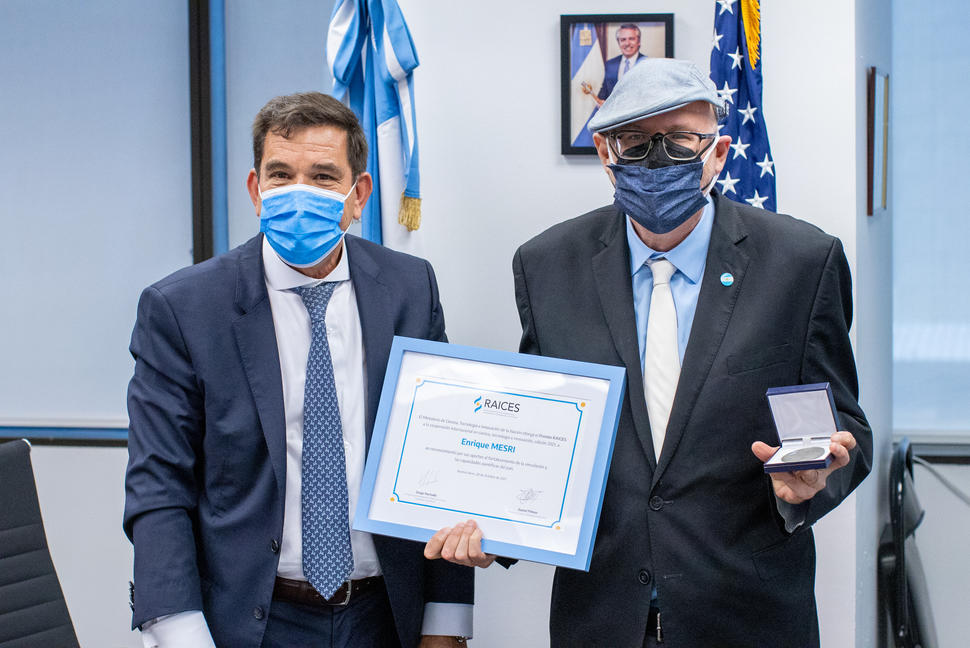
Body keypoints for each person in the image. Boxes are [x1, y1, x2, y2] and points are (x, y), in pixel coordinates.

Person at [426, 59, 872, 647]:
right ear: (606, 155)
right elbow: (543, 432)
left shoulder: (800, 262)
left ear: (717, 153)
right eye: (635, 143)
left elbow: (843, 423)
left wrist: (812, 481)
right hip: (602, 617)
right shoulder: (547, 265)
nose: (657, 160)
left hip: (749, 616)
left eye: (681, 141)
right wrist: (495, 525)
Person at [124, 92, 472, 648]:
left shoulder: (410, 288)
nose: (298, 192)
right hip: (244, 623)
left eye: (323, 176)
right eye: (281, 175)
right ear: (255, 190)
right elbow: (159, 484)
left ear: (358, 195)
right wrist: (179, 634)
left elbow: (444, 454)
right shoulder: (183, 309)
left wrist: (446, 622)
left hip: (384, 617)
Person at [583, 24, 648, 107]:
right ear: (619, 42)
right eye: (623, 39)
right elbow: (604, 93)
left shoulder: (646, 63)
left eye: (631, 39)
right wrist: (600, 102)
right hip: (614, 116)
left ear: (638, 42)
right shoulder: (610, 65)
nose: (627, 43)